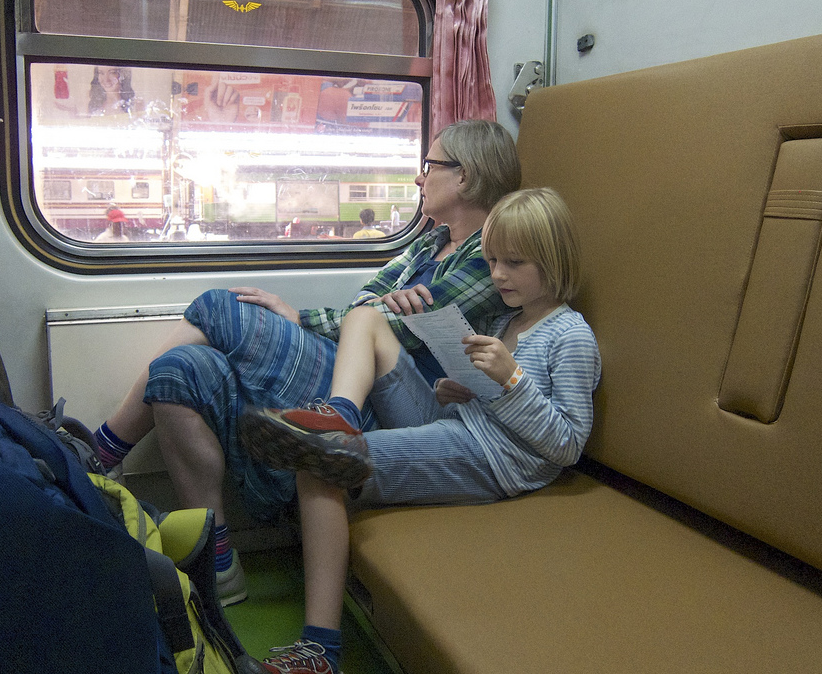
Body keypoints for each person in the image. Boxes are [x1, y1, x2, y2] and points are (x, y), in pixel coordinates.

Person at [93, 119, 521, 611]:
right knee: (178, 369)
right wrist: (375, 310)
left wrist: (306, 318)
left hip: (397, 408)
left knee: (218, 306)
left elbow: (400, 327)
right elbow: (365, 304)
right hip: (356, 372)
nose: (419, 178)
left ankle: (100, 452)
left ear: (464, 176)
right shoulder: (428, 243)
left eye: (429, 165)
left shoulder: (490, 256)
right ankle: (217, 561)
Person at [238, 188, 601, 674]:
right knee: (367, 318)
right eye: (493, 260)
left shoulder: (571, 336)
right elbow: (496, 402)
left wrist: (510, 382)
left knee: (317, 467)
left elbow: (568, 445)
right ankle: (338, 415)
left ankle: (320, 652)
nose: (498, 275)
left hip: (493, 460)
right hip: (462, 422)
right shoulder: (504, 319)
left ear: (553, 262)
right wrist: (459, 390)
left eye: (514, 263)